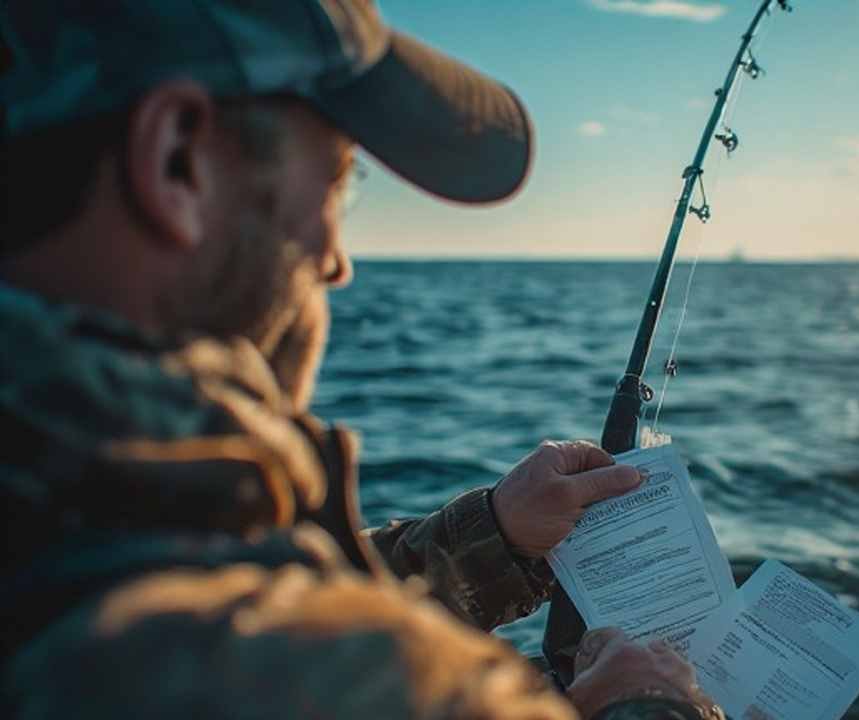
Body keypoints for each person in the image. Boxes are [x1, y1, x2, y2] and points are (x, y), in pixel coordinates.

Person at [0, 2, 722, 718]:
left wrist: (498, 536)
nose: (337, 261)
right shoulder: (273, 671)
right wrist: (652, 707)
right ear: (176, 160)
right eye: (339, 180)